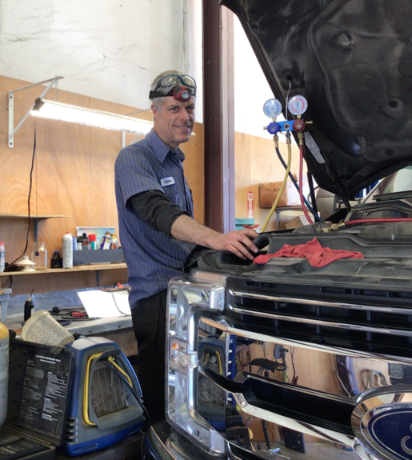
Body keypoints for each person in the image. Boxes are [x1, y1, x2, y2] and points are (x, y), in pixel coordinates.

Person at [115, 70, 258, 425]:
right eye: (175, 108)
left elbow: (183, 241)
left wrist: (227, 249)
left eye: (190, 108)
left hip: (183, 297)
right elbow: (157, 211)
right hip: (155, 299)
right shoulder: (134, 158)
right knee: (164, 408)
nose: (185, 116)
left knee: (188, 404)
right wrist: (217, 238)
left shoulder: (175, 162)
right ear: (155, 110)